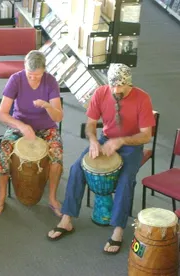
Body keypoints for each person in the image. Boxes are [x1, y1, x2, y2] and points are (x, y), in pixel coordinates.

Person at [47, 63, 155, 255]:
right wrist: (93, 140)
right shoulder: (101, 93)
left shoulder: (142, 98)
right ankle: (67, 219)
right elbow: (90, 125)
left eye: (120, 86)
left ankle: (118, 229)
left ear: (129, 84)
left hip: (132, 145)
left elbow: (146, 135)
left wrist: (121, 140)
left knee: (125, 180)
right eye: (113, 86)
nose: (116, 90)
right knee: (76, 168)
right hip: (105, 140)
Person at [0, 50, 64, 216]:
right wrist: (22, 126)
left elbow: (58, 116)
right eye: (30, 74)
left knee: (57, 155)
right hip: (20, 124)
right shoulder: (16, 79)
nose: (33, 78)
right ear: (24, 68)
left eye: (37, 75)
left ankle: (52, 198)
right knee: (3, 150)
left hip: (46, 127)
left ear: (44, 71)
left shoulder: (50, 81)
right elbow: (2, 113)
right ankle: (1, 196)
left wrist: (47, 106)